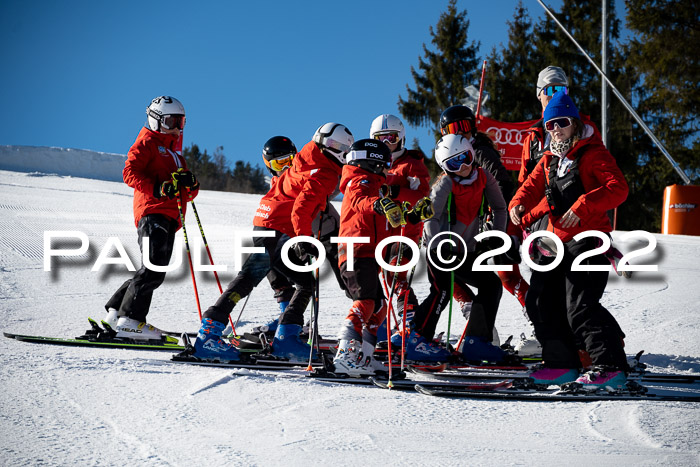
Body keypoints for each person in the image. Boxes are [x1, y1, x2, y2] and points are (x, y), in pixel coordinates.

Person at [192, 123, 354, 362]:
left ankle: (213, 333)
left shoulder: (307, 159)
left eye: (342, 147)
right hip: (278, 229)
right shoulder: (324, 172)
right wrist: (303, 239)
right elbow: (300, 209)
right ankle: (283, 340)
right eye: (336, 146)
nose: (339, 151)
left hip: (267, 225)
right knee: (303, 283)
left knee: (251, 279)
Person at [509, 90, 629, 389]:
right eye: (550, 125)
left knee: (580, 305)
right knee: (541, 302)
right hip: (556, 243)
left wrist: (584, 205)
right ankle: (561, 364)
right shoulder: (550, 159)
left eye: (561, 122)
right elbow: (529, 187)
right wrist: (516, 206)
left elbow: (619, 188)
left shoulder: (593, 153)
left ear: (574, 123)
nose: (555, 129)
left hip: (589, 240)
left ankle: (610, 366)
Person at [332, 139, 432, 375]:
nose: (387, 167)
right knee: (367, 301)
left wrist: (413, 216)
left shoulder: (377, 185)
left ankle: (366, 357)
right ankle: (345, 352)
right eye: (384, 162)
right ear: (372, 160)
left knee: (378, 307)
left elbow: (392, 220)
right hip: (355, 249)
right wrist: (380, 203)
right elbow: (359, 201)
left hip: (370, 254)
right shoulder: (359, 180)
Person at [406, 134, 509, 363]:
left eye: (466, 158)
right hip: (441, 248)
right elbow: (430, 216)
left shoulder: (484, 177)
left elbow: (500, 208)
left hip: (466, 250)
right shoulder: (445, 183)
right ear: (446, 167)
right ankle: (417, 339)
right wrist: (438, 245)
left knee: (491, 285)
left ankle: (476, 341)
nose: (463, 167)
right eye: (455, 163)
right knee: (441, 291)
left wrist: (496, 236)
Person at [103, 96, 198, 341]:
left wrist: (191, 182)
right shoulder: (147, 142)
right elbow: (129, 172)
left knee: (152, 269)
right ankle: (131, 320)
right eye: (170, 121)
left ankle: (115, 314)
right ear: (155, 120)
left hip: (169, 216)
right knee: (154, 269)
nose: (176, 127)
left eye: (180, 121)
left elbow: (190, 191)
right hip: (152, 212)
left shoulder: (176, 153)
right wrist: (158, 188)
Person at [439, 105, 521, 343]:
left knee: (499, 279)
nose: (462, 132)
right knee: (454, 274)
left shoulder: (479, 151)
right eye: (455, 128)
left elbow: (503, 185)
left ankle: (481, 332)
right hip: (464, 230)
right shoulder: (453, 154)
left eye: (466, 126)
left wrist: (490, 217)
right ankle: (479, 328)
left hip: (485, 229)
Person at [368, 114, 431, 336]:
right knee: (373, 281)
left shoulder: (411, 165)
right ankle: (381, 325)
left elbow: (423, 197)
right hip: (379, 233)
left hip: (406, 231)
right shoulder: (372, 166)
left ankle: (409, 326)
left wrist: (394, 192)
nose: (386, 144)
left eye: (391, 138)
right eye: (380, 139)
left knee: (395, 276)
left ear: (401, 139)